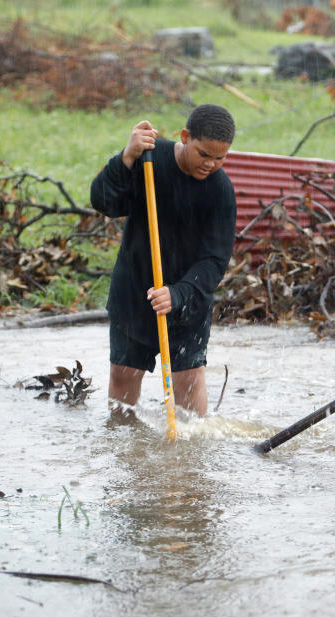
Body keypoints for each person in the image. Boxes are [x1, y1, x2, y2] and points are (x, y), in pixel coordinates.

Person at [90, 104, 237, 418]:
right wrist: (126, 157)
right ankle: (125, 448)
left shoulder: (221, 191)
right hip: (135, 292)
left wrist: (179, 293)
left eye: (220, 157)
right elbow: (104, 202)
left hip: (189, 299)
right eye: (203, 154)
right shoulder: (149, 161)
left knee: (189, 383)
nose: (211, 164)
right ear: (185, 137)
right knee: (124, 377)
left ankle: (189, 458)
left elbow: (215, 259)